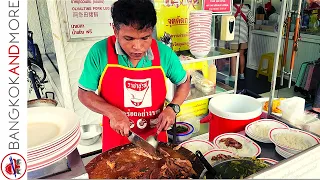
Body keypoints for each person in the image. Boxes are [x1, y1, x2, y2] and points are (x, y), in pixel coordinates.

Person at [77, 0, 190, 152]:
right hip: (116, 138)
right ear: (115, 31)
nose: (138, 47)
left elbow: (184, 83)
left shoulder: (165, 54)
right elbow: (84, 93)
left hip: (154, 139)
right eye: (128, 38)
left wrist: (173, 108)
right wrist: (113, 113)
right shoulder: (99, 52)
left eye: (145, 38)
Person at [230, 0, 254, 80]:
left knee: (233, 55)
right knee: (241, 54)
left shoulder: (231, 8)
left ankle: (233, 76)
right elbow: (252, 21)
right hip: (243, 35)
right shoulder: (247, 9)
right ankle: (241, 74)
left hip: (233, 34)